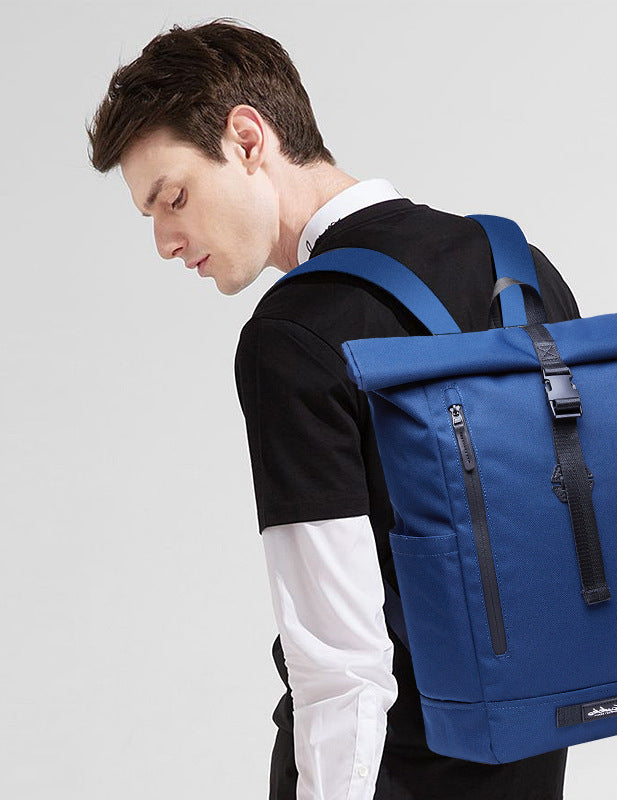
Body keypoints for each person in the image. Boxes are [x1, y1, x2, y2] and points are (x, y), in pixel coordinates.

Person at [86, 18, 579, 800]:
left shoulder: (293, 336)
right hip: (528, 754)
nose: (166, 242)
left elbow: (340, 668)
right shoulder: (517, 266)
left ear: (248, 139)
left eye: (172, 197)